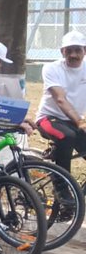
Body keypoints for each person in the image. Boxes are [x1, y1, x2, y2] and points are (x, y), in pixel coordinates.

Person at [37, 31, 86, 172]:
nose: (73, 55)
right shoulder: (51, 68)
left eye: (78, 50)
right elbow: (60, 99)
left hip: (74, 121)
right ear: (62, 52)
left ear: (85, 50)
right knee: (66, 137)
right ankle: (61, 188)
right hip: (49, 119)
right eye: (68, 51)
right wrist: (81, 122)